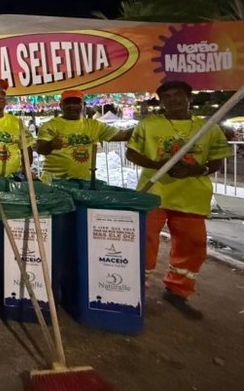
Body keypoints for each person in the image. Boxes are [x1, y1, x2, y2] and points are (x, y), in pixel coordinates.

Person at [126, 80, 231, 319]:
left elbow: (216, 161)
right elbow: (132, 153)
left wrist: (195, 170)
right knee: (143, 241)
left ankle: (178, 290)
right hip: (153, 194)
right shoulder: (149, 124)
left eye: (178, 95)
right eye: (167, 97)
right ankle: (133, 290)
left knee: (192, 245)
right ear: (161, 101)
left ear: (189, 98)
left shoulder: (208, 128)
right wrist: (157, 165)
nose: (172, 100)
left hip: (191, 197)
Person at [35, 89, 132, 181]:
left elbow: (124, 135)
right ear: (61, 106)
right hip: (54, 183)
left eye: (76, 102)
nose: (72, 106)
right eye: (68, 103)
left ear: (83, 105)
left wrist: (141, 127)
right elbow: (39, 149)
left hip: (84, 182)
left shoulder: (95, 125)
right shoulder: (50, 125)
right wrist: (51, 145)